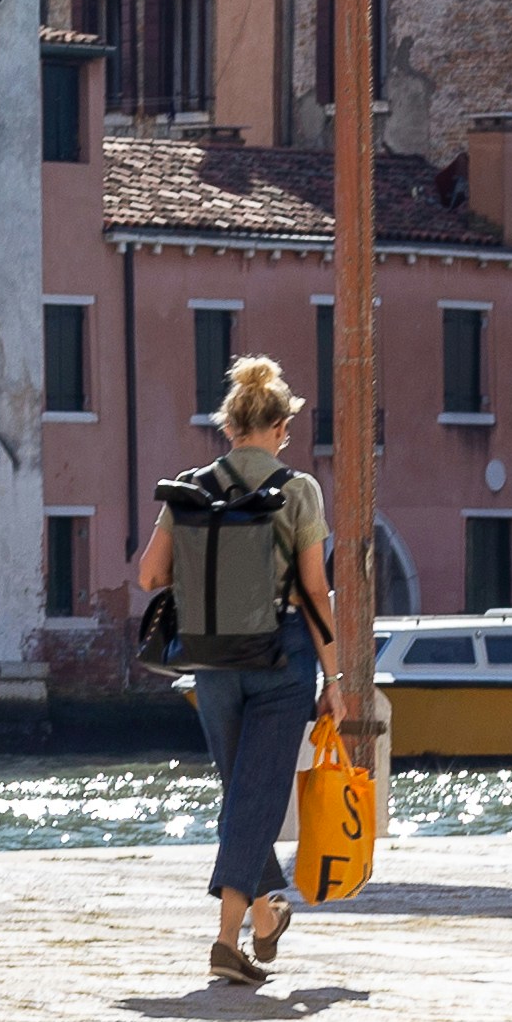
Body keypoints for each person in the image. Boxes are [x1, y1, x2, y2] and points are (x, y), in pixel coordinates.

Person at [131, 355, 335, 985]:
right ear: (278, 427)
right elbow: (315, 592)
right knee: (258, 795)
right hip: (282, 659)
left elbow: (149, 576)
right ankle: (227, 939)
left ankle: (267, 915)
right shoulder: (297, 490)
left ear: (229, 428)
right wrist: (340, 680)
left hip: (212, 662)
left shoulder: (191, 487)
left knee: (243, 793)